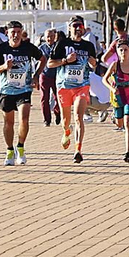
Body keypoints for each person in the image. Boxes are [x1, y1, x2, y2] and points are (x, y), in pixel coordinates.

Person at [47, 16, 99, 164]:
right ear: (69, 28)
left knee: (78, 117)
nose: (78, 29)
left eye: (80, 26)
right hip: (64, 86)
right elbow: (50, 64)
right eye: (75, 26)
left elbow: (94, 64)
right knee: (66, 120)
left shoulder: (88, 45)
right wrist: (65, 61)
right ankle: (66, 131)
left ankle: (78, 150)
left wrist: (92, 61)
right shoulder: (62, 44)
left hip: (82, 85)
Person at [0, 21, 42, 164]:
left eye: (18, 32)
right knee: (9, 122)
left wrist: (36, 75)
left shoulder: (28, 48)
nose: (16, 35)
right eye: (13, 32)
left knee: (24, 119)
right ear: (7, 33)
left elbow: (42, 59)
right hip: (6, 90)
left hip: (24, 89)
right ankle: (9, 150)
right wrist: (4, 67)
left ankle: (21, 147)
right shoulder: (1, 49)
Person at [103, 36, 129, 162]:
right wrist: (112, 88)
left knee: (127, 123)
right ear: (117, 52)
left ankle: (128, 152)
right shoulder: (115, 65)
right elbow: (104, 79)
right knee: (120, 123)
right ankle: (115, 118)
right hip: (117, 96)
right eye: (121, 50)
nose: (123, 52)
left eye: (125, 50)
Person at [38, 28, 61, 126]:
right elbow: (37, 61)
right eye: (48, 36)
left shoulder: (59, 47)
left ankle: (58, 112)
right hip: (44, 75)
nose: (50, 38)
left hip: (57, 75)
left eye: (52, 36)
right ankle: (46, 119)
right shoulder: (41, 48)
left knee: (58, 97)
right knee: (44, 98)